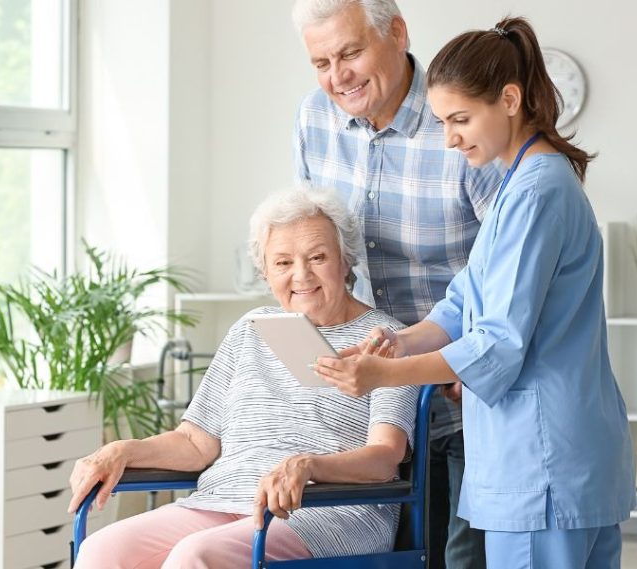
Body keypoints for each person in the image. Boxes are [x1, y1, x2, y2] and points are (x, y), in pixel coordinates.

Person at [313, 16, 635, 569]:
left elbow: (497, 344)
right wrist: (396, 342)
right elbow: (464, 301)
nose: (451, 138)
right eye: (441, 122)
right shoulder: (522, 186)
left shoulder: (537, 193)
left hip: (542, 464)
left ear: (509, 100)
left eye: (460, 119)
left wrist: (382, 377)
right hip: (562, 460)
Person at [68, 188, 419, 568]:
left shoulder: (387, 340)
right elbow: (195, 442)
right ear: (265, 272)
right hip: (222, 501)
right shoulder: (251, 330)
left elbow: (385, 458)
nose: (301, 275)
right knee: (101, 551)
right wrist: (121, 450)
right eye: (282, 263)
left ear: (345, 261)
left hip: (326, 510)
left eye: (317, 257)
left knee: (195, 556)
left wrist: (310, 466)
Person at [291, 1, 504, 566]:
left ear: (399, 34)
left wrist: (468, 361)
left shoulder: (457, 120)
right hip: (370, 404)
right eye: (321, 62)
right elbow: (321, 249)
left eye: (351, 52)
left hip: (463, 392)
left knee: (460, 556)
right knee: (391, 553)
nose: (338, 77)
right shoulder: (315, 120)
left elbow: (506, 265)